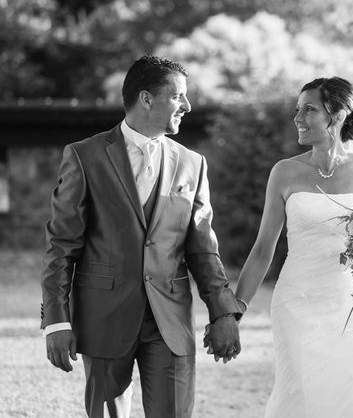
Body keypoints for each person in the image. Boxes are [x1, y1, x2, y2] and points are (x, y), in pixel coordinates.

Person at [40, 55, 244, 418]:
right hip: (104, 317)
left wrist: (223, 312)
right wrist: (57, 320)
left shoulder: (192, 163)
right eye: (178, 96)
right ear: (147, 99)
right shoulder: (85, 156)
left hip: (170, 319)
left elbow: (203, 249)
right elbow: (62, 246)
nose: (187, 105)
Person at [235, 77, 353, 417]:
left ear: (338, 115)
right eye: (297, 110)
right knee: (300, 395)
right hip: (296, 305)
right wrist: (235, 310)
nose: (298, 118)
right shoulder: (284, 173)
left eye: (309, 109)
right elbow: (262, 250)